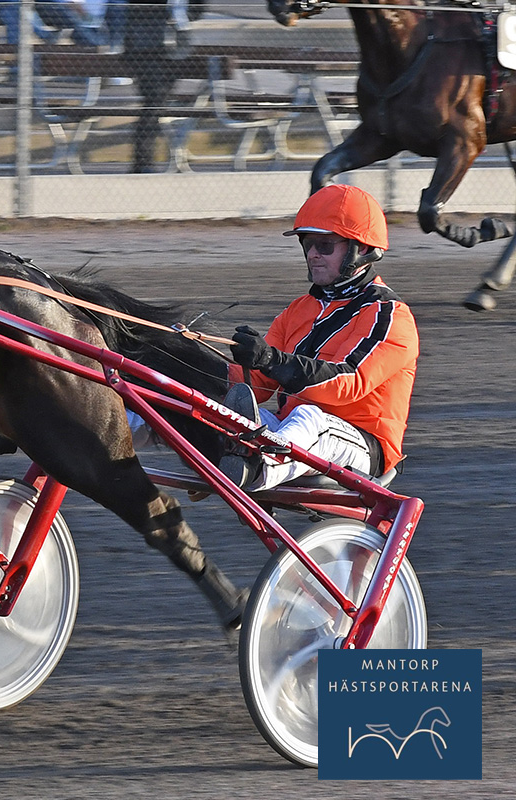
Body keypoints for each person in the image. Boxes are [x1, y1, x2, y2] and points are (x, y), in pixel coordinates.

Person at [218, 185, 420, 493]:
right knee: (214, 411)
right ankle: (127, 437)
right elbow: (255, 385)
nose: (312, 254)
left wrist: (272, 359)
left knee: (309, 416)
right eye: (308, 244)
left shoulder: (390, 315)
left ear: (362, 249)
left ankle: (253, 466)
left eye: (324, 245)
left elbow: (346, 383)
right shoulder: (299, 309)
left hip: (363, 448)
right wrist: (179, 359)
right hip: (296, 437)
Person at [122, 0, 200, 172]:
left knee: (156, 103)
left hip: (176, 47)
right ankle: (143, 161)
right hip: (144, 47)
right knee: (154, 101)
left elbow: (199, 7)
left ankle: (144, 160)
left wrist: (180, 16)